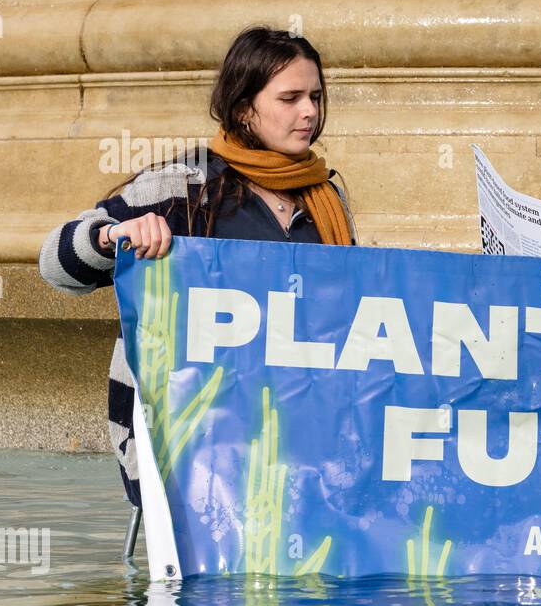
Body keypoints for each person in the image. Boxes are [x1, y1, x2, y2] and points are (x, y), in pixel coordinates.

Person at [39, 26, 356, 509]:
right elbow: (55, 263)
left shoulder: (326, 198)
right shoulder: (181, 187)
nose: (309, 111)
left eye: (314, 96)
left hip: (304, 432)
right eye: (290, 98)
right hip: (191, 433)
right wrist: (114, 237)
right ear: (244, 107)